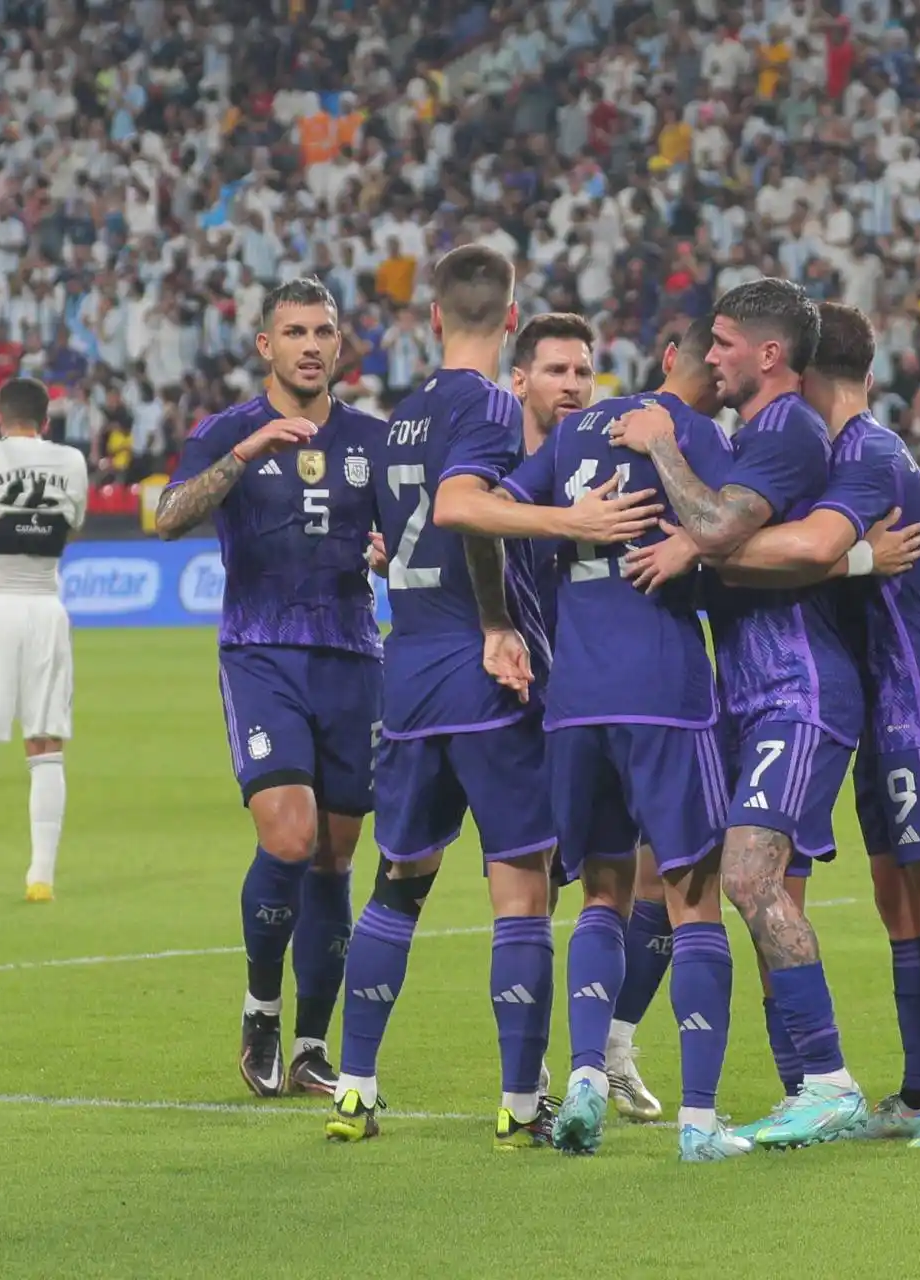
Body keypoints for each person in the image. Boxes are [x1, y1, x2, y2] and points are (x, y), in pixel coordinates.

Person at [326, 246, 658, 1147]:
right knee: (520, 893)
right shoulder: (493, 408)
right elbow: (466, 508)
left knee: (399, 882)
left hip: (409, 677)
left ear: (432, 317)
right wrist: (562, 534)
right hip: (486, 681)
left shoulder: (399, 419)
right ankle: (519, 1104)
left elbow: (405, 527)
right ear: (510, 320)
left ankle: (354, 1085)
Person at [716, 301, 920, 1149]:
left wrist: (698, 544)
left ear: (804, 367)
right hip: (880, 699)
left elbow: (813, 547)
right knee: (898, 899)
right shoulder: (833, 454)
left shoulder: (868, 454)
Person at [442, 317, 756, 1160]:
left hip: (574, 700)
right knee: (693, 899)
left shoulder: (579, 430)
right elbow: (733, 528)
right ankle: (699, 1121)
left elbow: (483, 512)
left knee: (601, 895)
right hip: (663, 691)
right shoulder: (693, 434)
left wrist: (544, 551)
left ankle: (582, 1075)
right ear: (709, 370)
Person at [609, 279, 870, 1149]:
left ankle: (830, 1079)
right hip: (747, 694)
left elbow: (720, 526)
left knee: (752, 877)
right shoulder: (752, 433)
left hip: (796, 690)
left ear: (767, 355)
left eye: (722, 342)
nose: (707, 355)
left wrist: (661, 455)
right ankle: (797, 1087)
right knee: (695, 871)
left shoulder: (790, 427)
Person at [156, 278, 385, 1100]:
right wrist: (243, 457)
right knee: (288, 838)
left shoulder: (372, 438)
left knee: (332, 857)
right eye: (294, 332)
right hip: (261, 651)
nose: (312, 345)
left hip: (354, 655)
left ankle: (313, 1047)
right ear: (266, 346)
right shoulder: (228, 432)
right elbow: (168, 517)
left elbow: (408, 531)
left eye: (324, 330)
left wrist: (396, 548)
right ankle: (261, 1009)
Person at [511, 311, 670, 1122]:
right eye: (556, 371)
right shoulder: (502, 462)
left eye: (583, 371)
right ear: (521, 382)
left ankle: (610, 1047)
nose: (572, 385)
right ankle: (530, 1069)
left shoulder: (609, 452)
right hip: (519, 700)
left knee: (653, 878)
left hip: (604, 693)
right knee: (531, 886)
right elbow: (455, 520)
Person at [0, 377, 88, 905]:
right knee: (46, 742)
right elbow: (73, 527)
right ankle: (41, 878)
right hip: (45, 609)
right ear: (47, 421)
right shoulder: (71, 462)